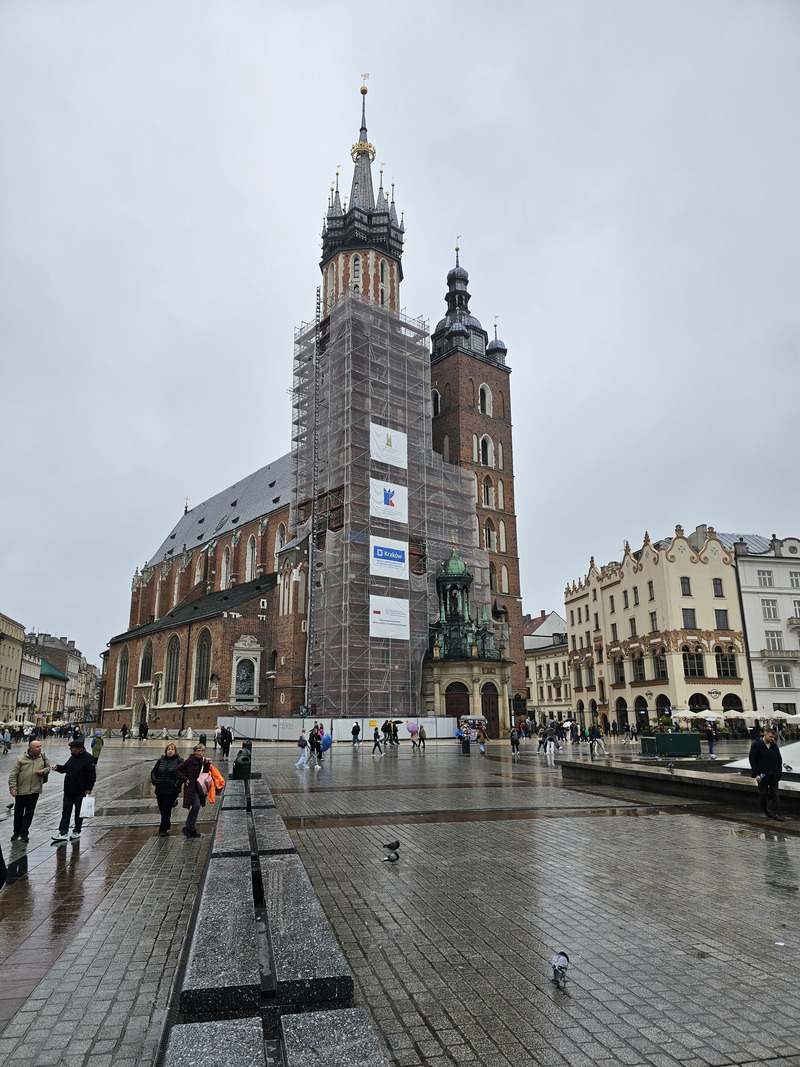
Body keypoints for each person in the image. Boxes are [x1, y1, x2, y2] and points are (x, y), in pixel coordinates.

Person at [50, 736, 96, 842]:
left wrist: (89, 787)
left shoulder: (88, 758)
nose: (70, 750)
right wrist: (57, 767)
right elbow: (66, 768)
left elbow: (92, 775)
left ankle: (77, 831)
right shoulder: (73, 757)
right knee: (66, 811)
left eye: (72, 749)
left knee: (78, 812)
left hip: (81, 790)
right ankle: (63, 832)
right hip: (68, 789)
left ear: (78, 749)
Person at [9, 739, 50, 842]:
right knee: (18, 813)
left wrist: (43, 771)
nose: (40, 748)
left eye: (40, 746)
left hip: (35, 790)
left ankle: (24, 833)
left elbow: (48, 768)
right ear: (31, 748)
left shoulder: (43, 758)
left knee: (29, 812)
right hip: (21, 790)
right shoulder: (21, 759)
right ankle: (16, 832)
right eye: (37, 747)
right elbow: (13, 775)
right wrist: (13, 788)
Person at [175, 744, 211, 837]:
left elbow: (205, 773)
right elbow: (177, 770)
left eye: (202, 751)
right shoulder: (189, 761)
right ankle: (187, 827)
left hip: (200, 787)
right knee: (196, 806)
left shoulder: (203, 761)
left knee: (197, 807)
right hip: (191, 787)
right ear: (194, 751)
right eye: (198, 751)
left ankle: (192, 828)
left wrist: (208, 764)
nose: (200, 753)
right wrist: (185, 779)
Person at [749, 727, 784, 821]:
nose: (772, 739)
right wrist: (756, 774)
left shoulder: (774, 746)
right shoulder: (756, 745)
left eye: (773, 737)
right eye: (770, 737)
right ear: (765, 735)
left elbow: (779, 759)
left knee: (775, 793)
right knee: (763, 793)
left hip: (773, 774)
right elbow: (753, 760)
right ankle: (765, 809)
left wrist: (778, 771)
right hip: (762, 774)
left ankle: (776, 813)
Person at [150, 742, 182, 835]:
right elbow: (153, 772)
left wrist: (177, 784)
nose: (170, 751)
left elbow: (183, 774)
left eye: (172, 749)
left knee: (166, 809)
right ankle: (167, 824)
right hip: (160, 789)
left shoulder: (179, 761)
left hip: (172, 790)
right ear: (166, 751)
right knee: (161, 808)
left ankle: (162, 829)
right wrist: (155, 781)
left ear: (175, 751)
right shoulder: (161, 761)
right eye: (168, 749)